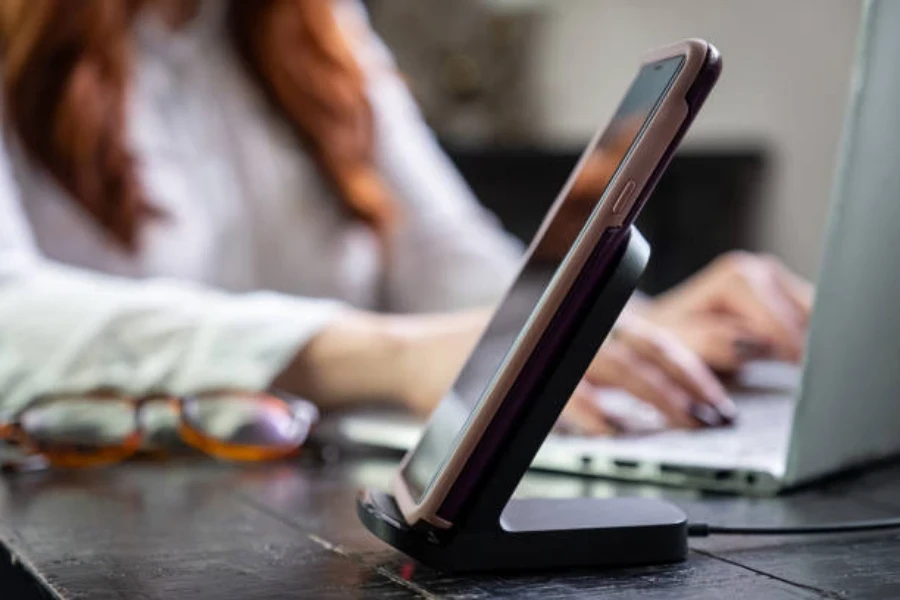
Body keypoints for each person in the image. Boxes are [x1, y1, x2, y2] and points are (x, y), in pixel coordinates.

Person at [0, 0, 811, 437]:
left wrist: (630, 333)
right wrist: (392, 355)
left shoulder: (320, 31)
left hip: (294, 505)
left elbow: (451, 256)